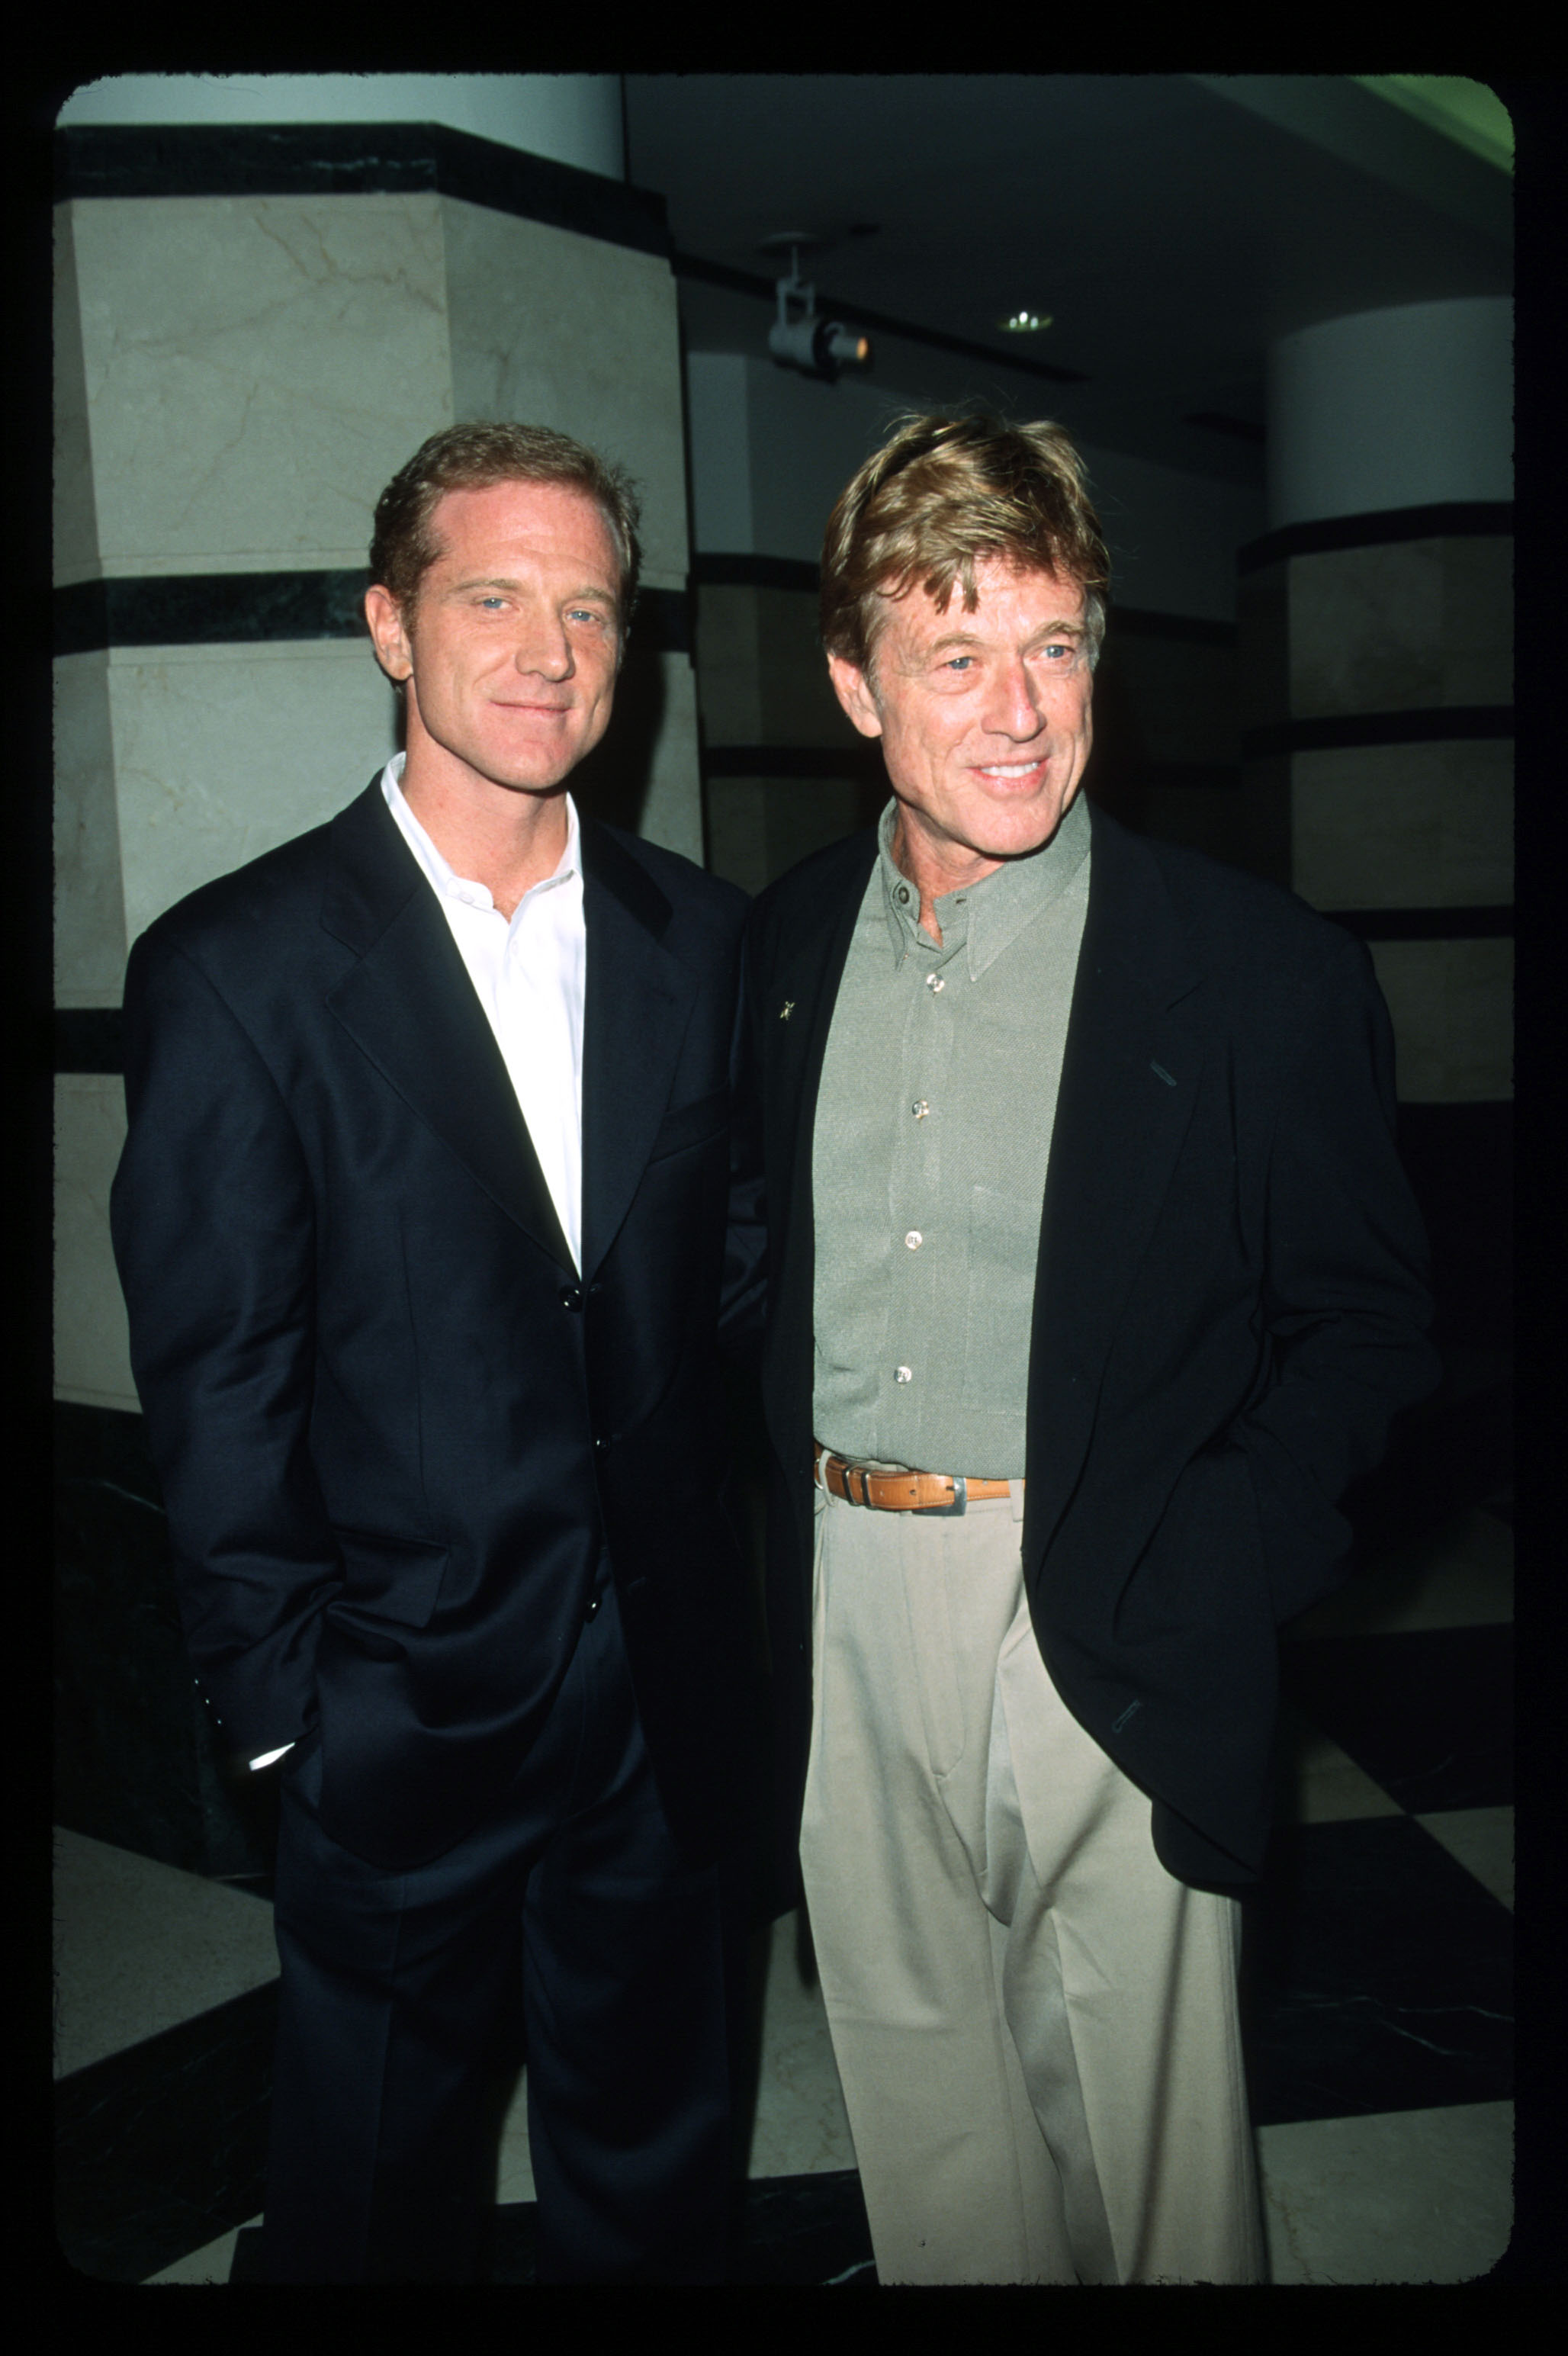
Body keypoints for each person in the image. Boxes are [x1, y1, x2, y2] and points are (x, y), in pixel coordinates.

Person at [743, 411, 1439, 2285]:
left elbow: (1367, 1324)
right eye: (953, 653)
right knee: (920, 2105)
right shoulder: (784, 946)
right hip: (838, 1601)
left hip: (1108, 1590)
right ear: (850, 683)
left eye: (1055, 646)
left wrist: (1216, 1562)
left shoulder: (1251, 971)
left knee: (1150, 2160)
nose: (1020, 709)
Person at [110, 421, 766, 2284]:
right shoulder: (237, 967)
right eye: (492, 596)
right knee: (368, 2192)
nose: (548, 651)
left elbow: (728, 1289)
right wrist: (290, 1716)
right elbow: (216, 1380)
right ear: (389, 626)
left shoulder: (700, 943)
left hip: (658, 1694)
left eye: (587, 609)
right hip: (393, 1706)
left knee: (657, 2172)